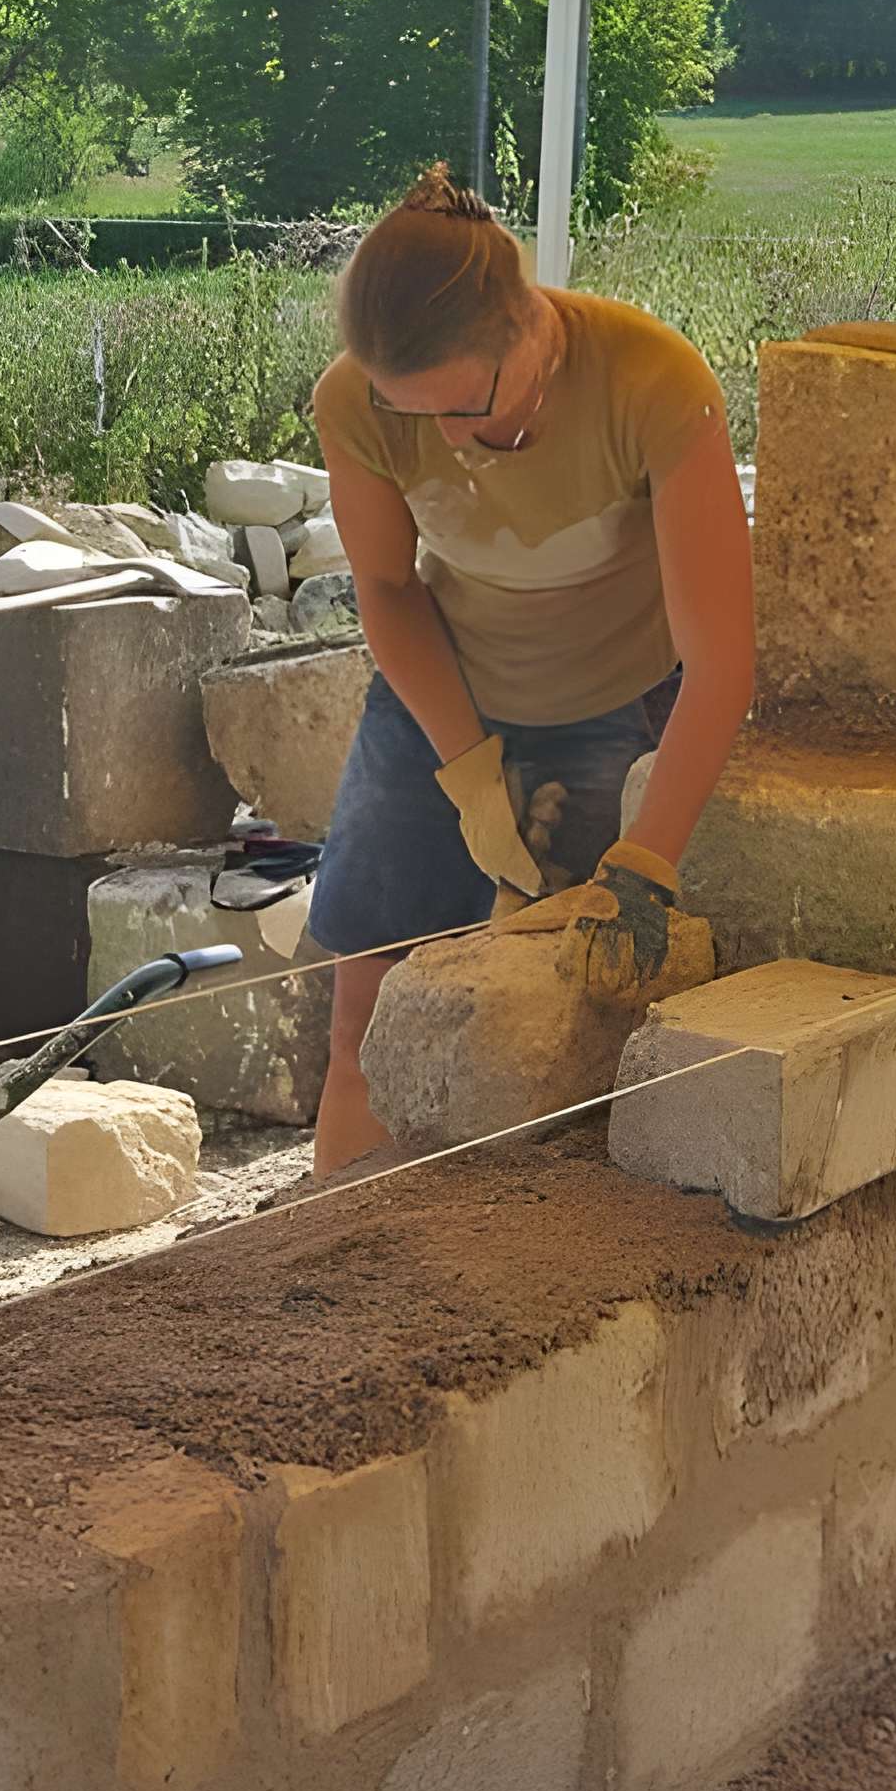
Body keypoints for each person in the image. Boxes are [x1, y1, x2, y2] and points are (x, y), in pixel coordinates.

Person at [300, 165, 754, 1174]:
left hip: (620, 702)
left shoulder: (654, 383)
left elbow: (720, 657)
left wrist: (647, 862)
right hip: (442, 693)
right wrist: (467, 769)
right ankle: (334, 1283)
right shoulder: (356, 404)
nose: (455, 441)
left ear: (530, 328)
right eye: (419, 418)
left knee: (558, 1042)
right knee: (362, 1034)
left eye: (470, 406)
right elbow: (387, 589)